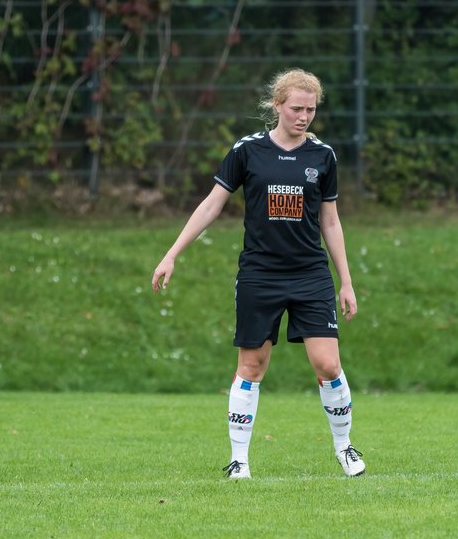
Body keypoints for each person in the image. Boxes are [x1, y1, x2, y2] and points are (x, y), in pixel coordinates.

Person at [152, 68, 364, 479]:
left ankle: (345, 447)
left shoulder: (323, 156)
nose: (304, 117)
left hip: (310, 275)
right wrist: (172, 253)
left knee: (328, 365)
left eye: (311, 110)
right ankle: (239, 460)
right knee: (251, 366)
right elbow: (212, 204)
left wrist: (347, 281)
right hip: (260, 274)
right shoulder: (248, 151)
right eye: (297, 108)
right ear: (277, 105)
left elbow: (332, 223)